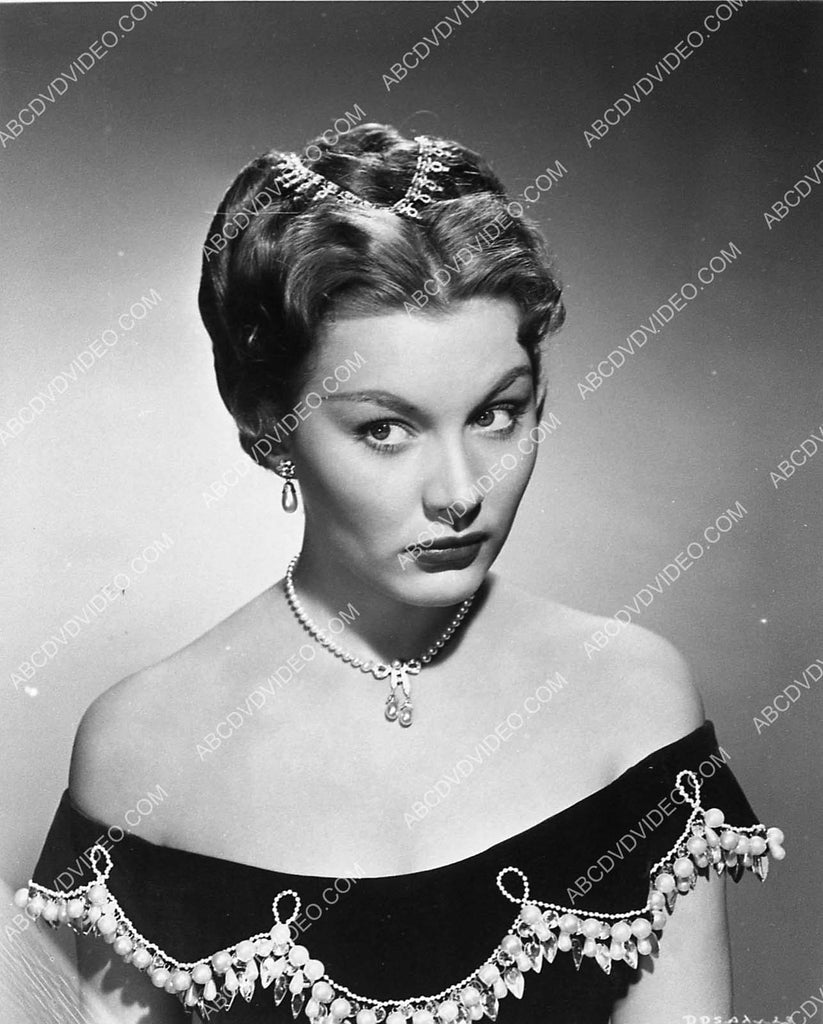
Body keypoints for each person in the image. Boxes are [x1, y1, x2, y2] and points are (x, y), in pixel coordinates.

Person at [16, 124, 785, 1024]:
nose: (461, 493)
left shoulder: (631, 698)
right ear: (267, 425)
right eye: (384, 429)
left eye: (496, 415)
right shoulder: (140, 747)